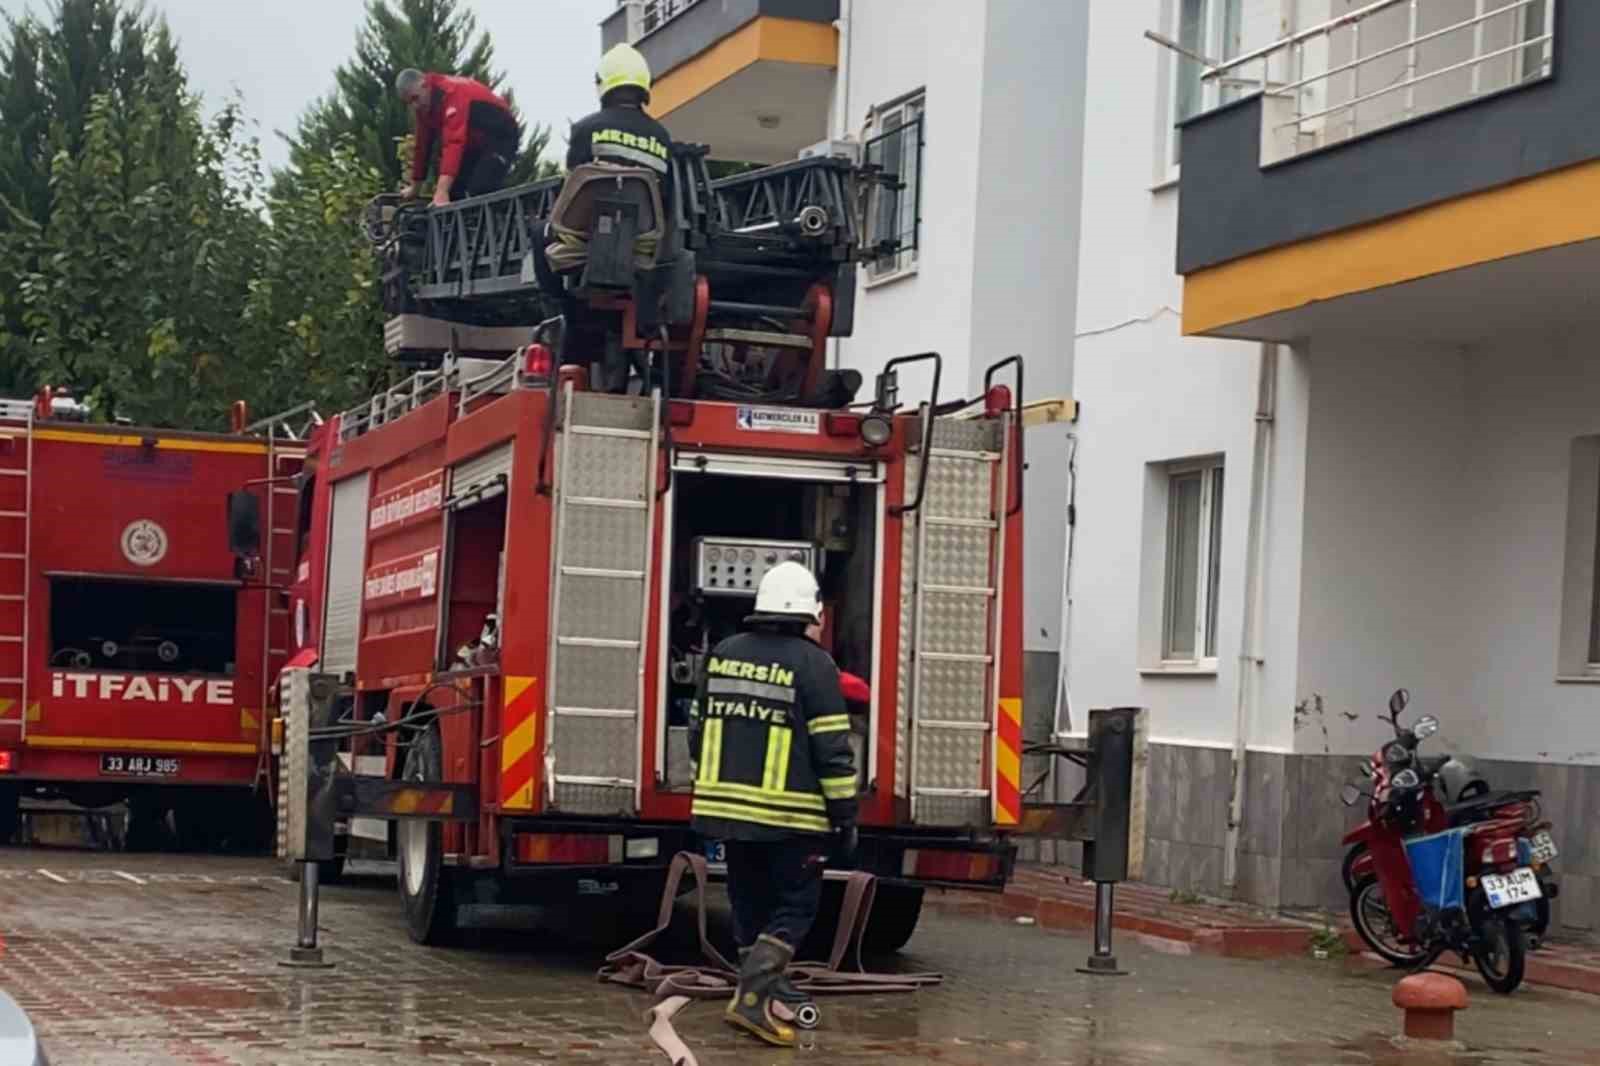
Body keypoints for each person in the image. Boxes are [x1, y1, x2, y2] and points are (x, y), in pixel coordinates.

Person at [689, 563, 858, 1047]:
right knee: (795, 907)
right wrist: (845, 816)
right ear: (809, 613)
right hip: (791, 819)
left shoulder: (723, 653)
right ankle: (750, 1000)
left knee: (748, 903)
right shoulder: (815, 665)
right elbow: (832, 749)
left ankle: (761, 996)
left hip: (728, 813)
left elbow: (698, 729)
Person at [395, 69, 520, 206]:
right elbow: (422, 147)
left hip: (501, 136)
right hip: (473, 142)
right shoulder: (423, 107)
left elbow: (454, 142)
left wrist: (441, 191)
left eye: (415, 98)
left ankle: (520, 210)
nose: (415, 106)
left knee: (480, 189)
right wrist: (415, 188)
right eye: (409, 103)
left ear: (425, 85)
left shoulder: (452, 93)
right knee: (454, 194)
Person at [567, 43, 673, 187]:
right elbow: (666, 192)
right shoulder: (662, 137)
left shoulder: (584, 129)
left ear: (602, 82)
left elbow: (571, 189)